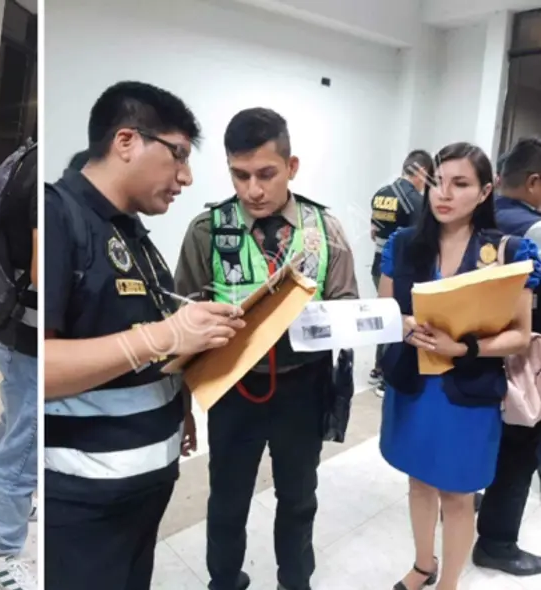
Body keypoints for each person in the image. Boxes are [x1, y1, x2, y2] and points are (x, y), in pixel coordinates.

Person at [44, 81, 246, 590]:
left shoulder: (132, 233)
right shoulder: (58, 216)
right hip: (84, 499)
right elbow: (39, 369)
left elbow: (141, 338)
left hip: (143, 488)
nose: (186, 176)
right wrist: (164, 336)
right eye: (178, 155)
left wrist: (178, 402)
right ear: (126, 141)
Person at [174, 107, 359, 590]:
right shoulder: (207, 229)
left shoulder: (325, 230)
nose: (253, 189)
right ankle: (224, 580)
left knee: (298, 497)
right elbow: (181, 323)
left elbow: (347, 305)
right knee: (227, 498)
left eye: (266, 174)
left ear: (291, 167)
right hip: (233, 387)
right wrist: (183, 404)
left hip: (304, 388)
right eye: (240, 175)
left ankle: (295, 581)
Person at [378, 142, 539, 590]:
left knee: (457, 494)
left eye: (460, 184)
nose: (444, 193)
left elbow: (519, 335)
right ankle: (423, 565)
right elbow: (385, 310)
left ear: (485, 191)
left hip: (468, 393)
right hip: (413, 385)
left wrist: (463, 348)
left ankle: (448, 583)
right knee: (418, 482)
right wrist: (402, 324)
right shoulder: (403, 244)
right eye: (437, 182)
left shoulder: (506, 252)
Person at [475, 137, 541, 576]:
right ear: (534, 182)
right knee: (520, 447)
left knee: (483, 432)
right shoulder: (535, 231)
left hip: (471, 353)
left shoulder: (474, 221)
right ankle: (497, 543)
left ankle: (465, 496)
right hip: (521, 356)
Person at [0, 145, 39, 590]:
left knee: (15, 424)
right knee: (25, 444)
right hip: (28, 336)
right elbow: (41, 271)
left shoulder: (22, 160)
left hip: (13, 328)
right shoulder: (38, 175)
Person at [368, 150, 432, 395]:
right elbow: (418, 238)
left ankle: (378, 368)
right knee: (398, 319)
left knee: (385, 314)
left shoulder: (381, 194)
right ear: (421, 172)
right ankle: (387, 374)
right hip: (401, 270)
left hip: (378, 263)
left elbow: (374, 230)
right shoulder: (415, 200)